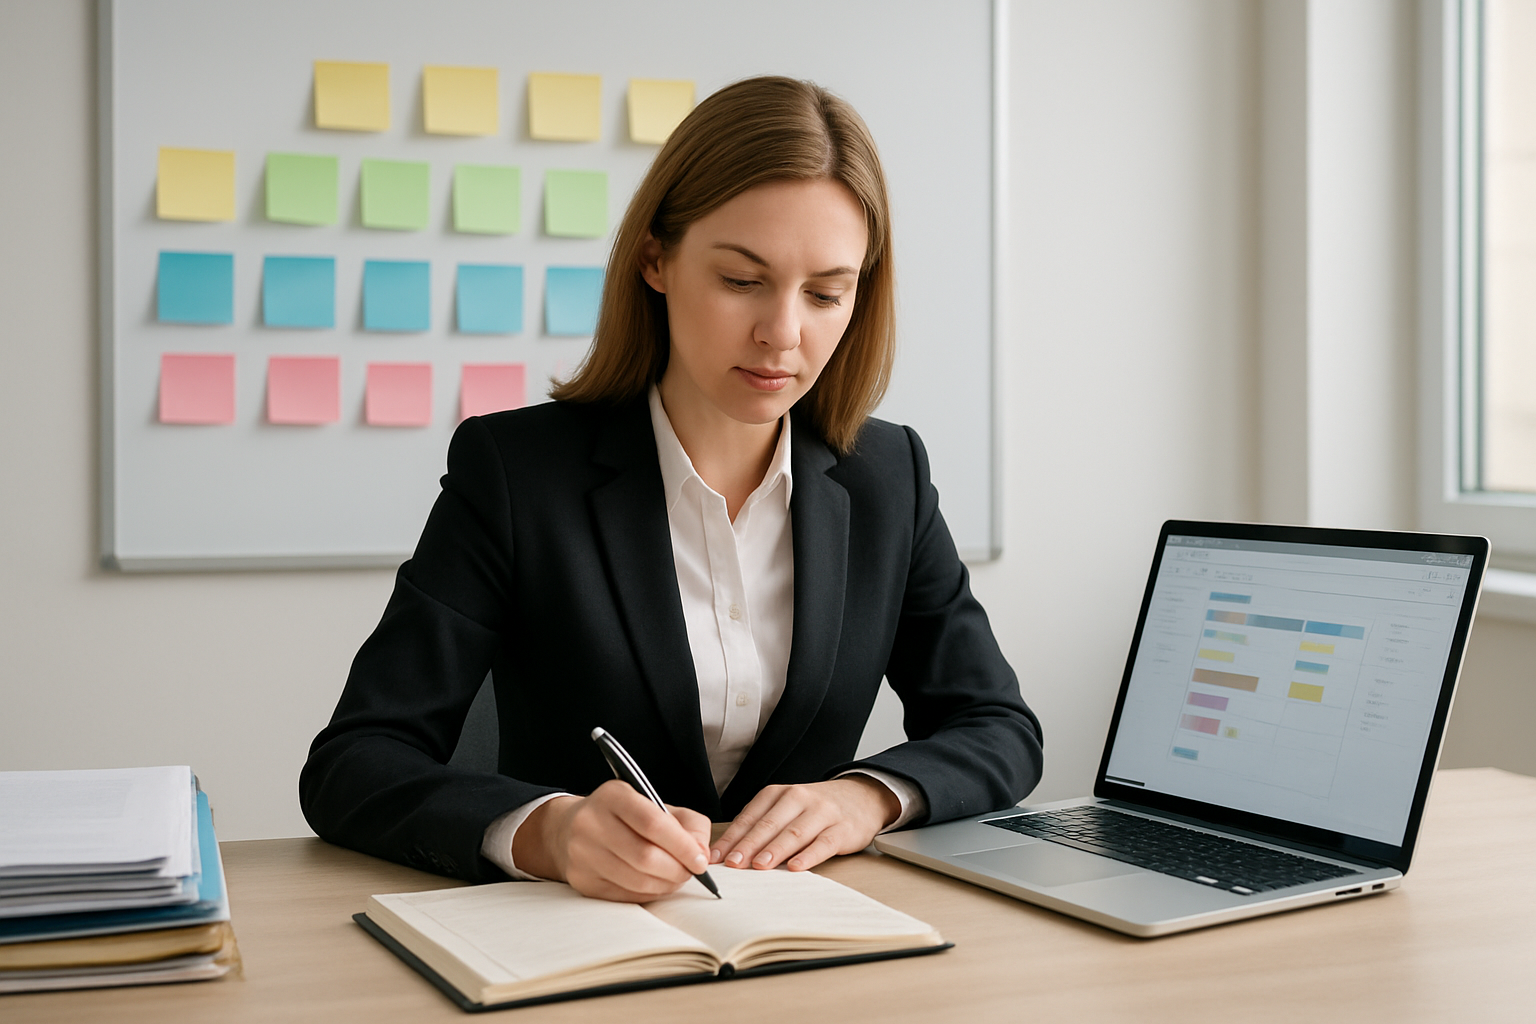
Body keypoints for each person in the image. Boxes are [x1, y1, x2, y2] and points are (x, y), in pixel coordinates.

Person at [299, 76, 1042, 903]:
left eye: (826, 293)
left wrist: (863, 798)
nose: (783, 335)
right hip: (575, 946)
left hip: (810, 942)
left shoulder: (887, 477)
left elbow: (998, 727)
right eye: (741, 280)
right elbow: (354, 763)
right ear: (656, 258)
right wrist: (548, 830)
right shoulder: (513, 471)